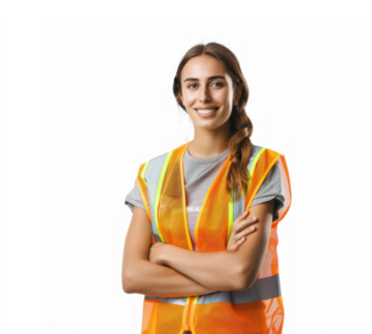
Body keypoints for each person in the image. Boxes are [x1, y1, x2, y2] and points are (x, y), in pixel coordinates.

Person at [120, 42, 290, 333]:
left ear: (236, 90)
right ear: (180, 95)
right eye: (193, 85)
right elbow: (132, 276)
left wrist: (163, 254)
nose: (204, 97)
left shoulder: (262, 166)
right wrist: (219, 272)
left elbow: (240, 273)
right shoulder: (152, 172)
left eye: (216, 84)